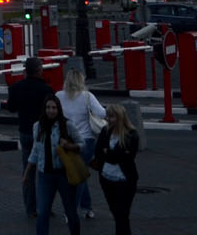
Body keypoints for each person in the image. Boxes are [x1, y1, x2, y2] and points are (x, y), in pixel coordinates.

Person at [3, 56, 55, 218]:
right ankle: (46, 206)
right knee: (46, 172)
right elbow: (52, 112)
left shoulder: (16, 87)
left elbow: (11, 108)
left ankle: (30, 208)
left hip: (25, 132)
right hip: (42, 133)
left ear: (25, 71)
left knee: (28, 170)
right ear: (39, 70)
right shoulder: (46, 89)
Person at [23, 95, 82, 235]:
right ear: (44, 109)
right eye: (48, 107)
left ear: (58, 109)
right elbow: (35, 151)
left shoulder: (67, 125)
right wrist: (27, 173)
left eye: (54, 108)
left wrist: (69, 145)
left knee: (71, 212)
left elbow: (82, 144)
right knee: (43, 212)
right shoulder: (38, 126)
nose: (51, 110)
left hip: (64, 175)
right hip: (45, 176)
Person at [56, 60, 106, 220]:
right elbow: (102, 114)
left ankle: (81, 208)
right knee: (79, 175)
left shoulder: (59, 96)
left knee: (75, 175)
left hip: (66, 141)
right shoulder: (87, 97)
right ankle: (80, 209)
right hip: (86, 141)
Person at [92, 103, 141, 235]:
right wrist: (110, 153)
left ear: (120, 117)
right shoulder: (105, 131)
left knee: (122, 215)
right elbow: (98, 152)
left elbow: (126, 157)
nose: (108, 119)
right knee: (117, 214)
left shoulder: (131, 134)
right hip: (107, 179)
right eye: (107, 116)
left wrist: (107, 152)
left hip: (125, 180)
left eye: (111, 117)